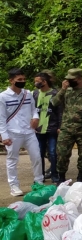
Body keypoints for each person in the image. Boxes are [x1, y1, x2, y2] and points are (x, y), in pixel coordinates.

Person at [0, 68, 44, 196]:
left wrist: (35, 117)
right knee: (12, 159)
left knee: (36, 157)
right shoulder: (3, 97)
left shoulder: (27, 94)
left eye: (24, 79)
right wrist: (4, 135)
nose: (22, 81)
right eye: (19, 80)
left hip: (29, 132)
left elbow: (34, 109)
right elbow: (1, 118)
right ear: (11, 80)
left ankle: (38, 182)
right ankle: (14, 185)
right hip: (13, 132)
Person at [52, 68, 82, 183]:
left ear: (80, 78)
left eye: (72, 79)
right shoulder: (66, 91)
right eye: (68, 79)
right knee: (62, 154)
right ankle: (61, 178)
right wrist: (62, 89)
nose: (69, 81)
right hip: (66, 128)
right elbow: (54, 103)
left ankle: (81, 177)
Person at [33, 72, 62, 184]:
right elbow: (32, 110)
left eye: (37, 81)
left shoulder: (55, 93)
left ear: (44, 81)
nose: (36, 83)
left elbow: (60, 111)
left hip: (52, 128)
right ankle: (40, 176)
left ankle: (55, 175)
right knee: (39, 153)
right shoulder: (35, 93)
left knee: (53, 152)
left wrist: (59, 126)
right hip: (39, 129)